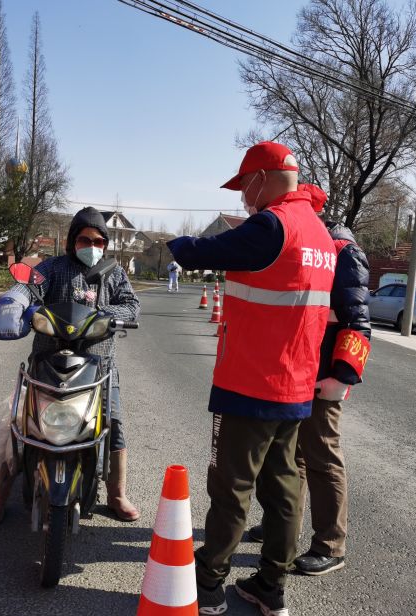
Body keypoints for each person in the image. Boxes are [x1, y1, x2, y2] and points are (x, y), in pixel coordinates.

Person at [167, 142, 337, 615]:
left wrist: (176, 246)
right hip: (296, 385)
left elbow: (210, 251)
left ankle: (208, 585)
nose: (244, 196)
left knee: (231, 488)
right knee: (283, 488)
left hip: (249, 383)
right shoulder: (321, 234)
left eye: (245, 185)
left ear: (262, 177)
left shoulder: (272, 225)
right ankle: (270, 586)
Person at [0, 207, 141, 523]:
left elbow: (133, 306)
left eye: (99, 241)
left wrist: (107, 314)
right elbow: (28, 287)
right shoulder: (51, 268)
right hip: (47, 361)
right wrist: (16, 301)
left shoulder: (114, 273)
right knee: (20, 424)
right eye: (85, 239)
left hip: (99, 367)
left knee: (115, 425)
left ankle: (116, 494)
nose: (92, 246)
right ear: (72, 241)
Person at [246, 183, 371, 578]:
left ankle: (331, 545)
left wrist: (343, 376)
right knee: (289, 457)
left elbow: (358, 321)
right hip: (295, 370)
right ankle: (284, 528)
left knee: (322, 457)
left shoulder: (342, 249)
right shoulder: (306, 241)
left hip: (322, 375)